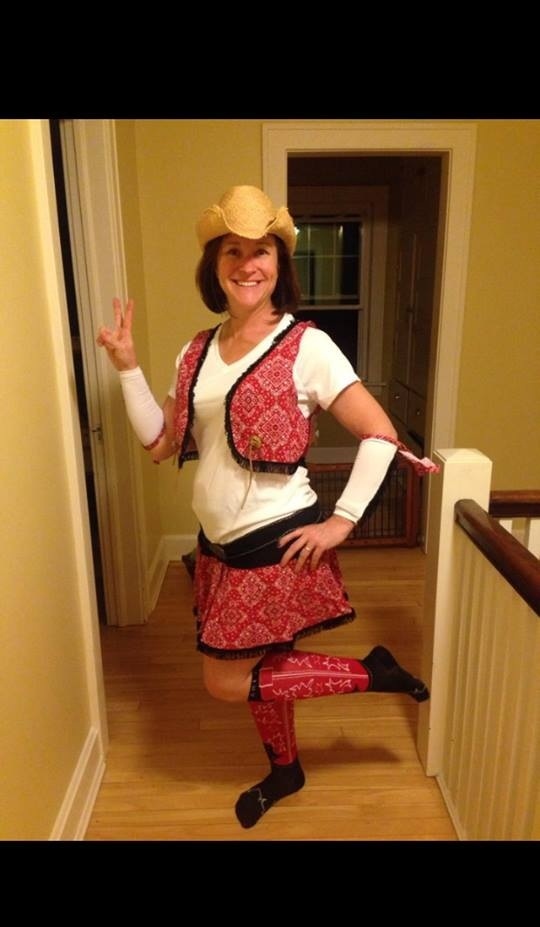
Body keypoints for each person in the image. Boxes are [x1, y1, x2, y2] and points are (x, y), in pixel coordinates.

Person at [97, 184, 435, 830]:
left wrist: (342, 520)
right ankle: (286, 768)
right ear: (214, 265)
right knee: (266, 665)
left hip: (276, 543)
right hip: (217, 547)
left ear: (280, 264)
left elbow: (380, 433)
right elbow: (161, 444)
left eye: (261, 251)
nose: (247, 264)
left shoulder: (307, 346)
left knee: (224, 680)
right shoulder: (195, 352)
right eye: (233, 250)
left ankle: (370, 673)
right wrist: (128, 368)